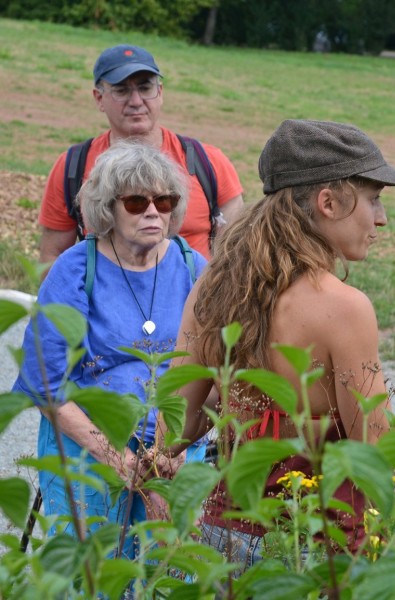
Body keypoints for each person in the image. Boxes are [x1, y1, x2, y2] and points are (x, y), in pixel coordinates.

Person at [168, 119, 395, 564]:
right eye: (373, 199)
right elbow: (381, 455)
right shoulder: (344, 308)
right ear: (328, 202)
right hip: (312, 552)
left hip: (224, 545)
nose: (382, 218)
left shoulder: (214, 284)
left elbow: (173, 427)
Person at [13, 142, 208, 557]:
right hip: (89, 452)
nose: (153, 211)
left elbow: (219, 373)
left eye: (164, 200)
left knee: (170, 572)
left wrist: (171, 454)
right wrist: (118, 458)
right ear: (108, 208)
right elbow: (45, 382)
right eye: (137, 202)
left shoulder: (196, 270)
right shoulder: (75, 269)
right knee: (93, 573)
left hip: (176, 456)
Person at [38, 44, 244, 263]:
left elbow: (236, 255)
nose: (136, 101)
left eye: (145, 88)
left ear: (160, 93)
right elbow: (52, 256)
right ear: (99, 98)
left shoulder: (210, 163)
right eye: (121, 90)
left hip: (198, 296)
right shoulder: (72, 167)